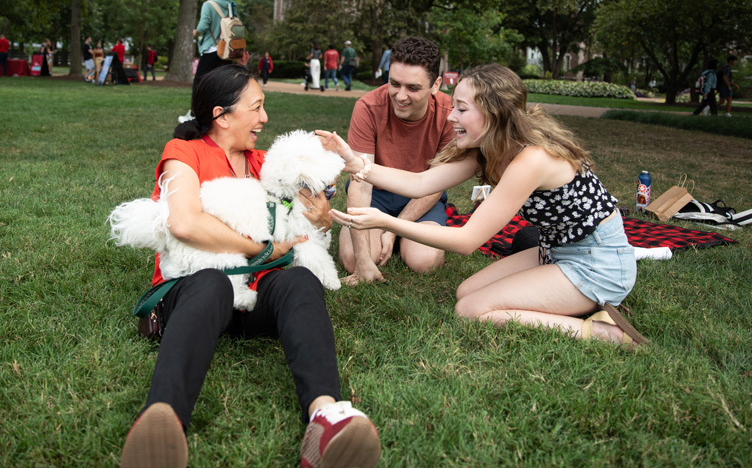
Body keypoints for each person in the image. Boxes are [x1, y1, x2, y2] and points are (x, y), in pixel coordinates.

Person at [117, 65, 381, 468]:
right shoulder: (183, 153)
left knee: (299, 281)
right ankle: (163, 422)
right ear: (222, 115)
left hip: (256, 297)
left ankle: (325, 417)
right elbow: (185, 223)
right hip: (196, 291)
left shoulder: (264, 164)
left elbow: (312, 217)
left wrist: (322, 214)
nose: (265, 118)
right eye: (256, 108)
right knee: (212, 285)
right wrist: (261, 249)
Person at [322, 62, 647, 347]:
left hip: (597, 265)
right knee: (467, 292)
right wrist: (356, 163)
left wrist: (387, 222)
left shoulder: (531, 159)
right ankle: (575, 302)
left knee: (471, 310)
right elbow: (421, 183)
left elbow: (467, 241)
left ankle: (605, 333)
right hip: (556, 252)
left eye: (462, 109)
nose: (450, 116)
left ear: (493, 114)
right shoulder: (491, 148)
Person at [337, 36, 454, 285]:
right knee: (352, 259)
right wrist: (362, 260)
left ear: (435, 85)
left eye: (413, 88)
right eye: (394, 83)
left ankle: (399, 238)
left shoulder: (450, 114)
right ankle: (381, 238)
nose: (400, 96)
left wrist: (393, 229)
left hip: (421, 200)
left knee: (425, 262)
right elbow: (360, 182)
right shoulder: (368, 107)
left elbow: (436, 183)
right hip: (375, 197)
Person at [192, 0, 234, 100]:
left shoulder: (208, 4)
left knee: (200, 82)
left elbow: (203, 25)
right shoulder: (230, 5)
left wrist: (196, 32)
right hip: (226, 50)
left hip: (211, 49)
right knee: (221, 84)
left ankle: (196, 114)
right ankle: (220, 113)